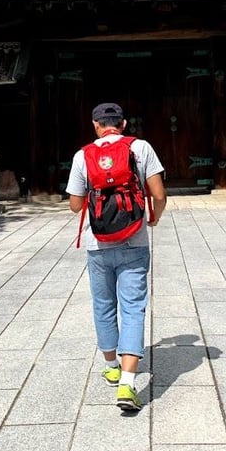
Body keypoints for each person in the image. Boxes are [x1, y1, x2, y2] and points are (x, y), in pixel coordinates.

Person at [66, 102, 167, 412]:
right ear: (122, 123)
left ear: (96, 125)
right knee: (134, 308)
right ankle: (127, 383)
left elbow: (74, 204)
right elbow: (159, 195)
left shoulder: (83, 155)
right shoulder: (142, 147)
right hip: (134, 240)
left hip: (98, 245)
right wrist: (153, 218)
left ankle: (111, 365)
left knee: (103, 304)